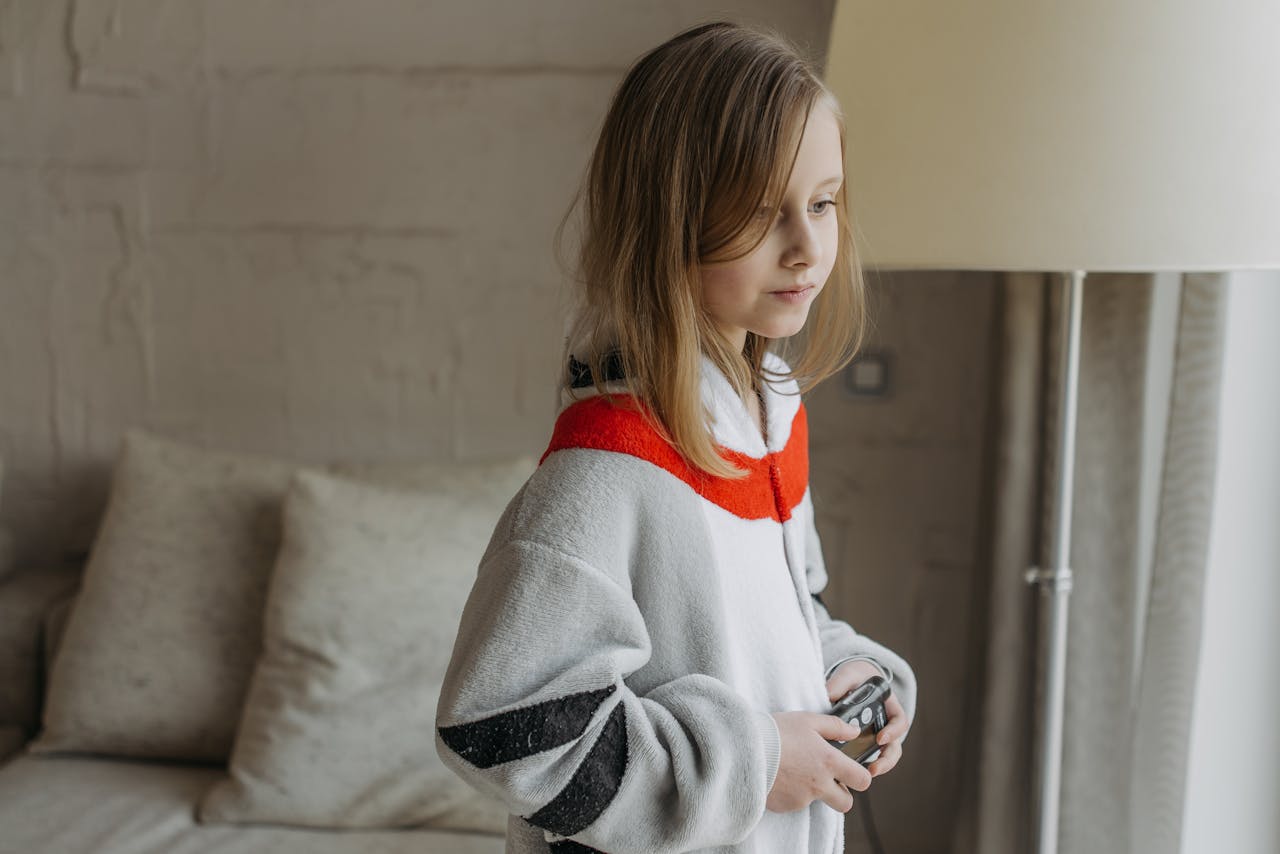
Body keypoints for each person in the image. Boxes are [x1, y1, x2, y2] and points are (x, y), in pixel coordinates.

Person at [435, 20, 917, 854]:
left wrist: (844, 669)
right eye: (762, 213)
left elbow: (771, 624)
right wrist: (756, 763)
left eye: (823, 203)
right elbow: (500, 726)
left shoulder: (769, 420)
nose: (808, 247)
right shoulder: (605, 470)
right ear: (670, 219)